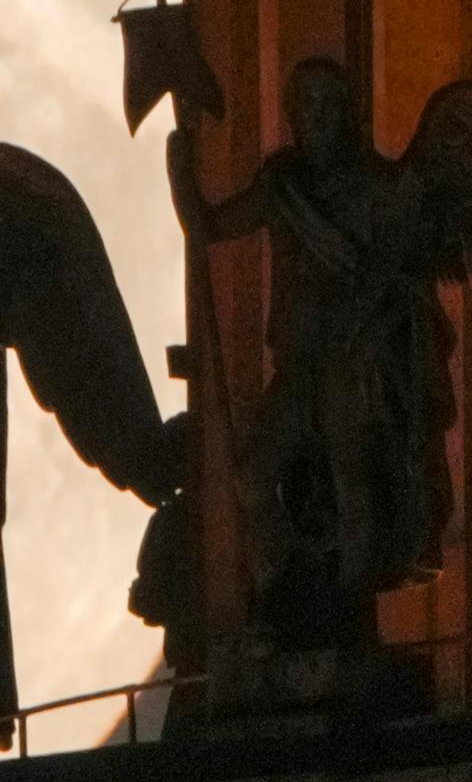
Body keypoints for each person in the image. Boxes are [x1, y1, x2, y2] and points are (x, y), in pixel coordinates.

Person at [169, 56, 452, 647]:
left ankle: (349, 619)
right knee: (253, 474)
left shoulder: (379, 186)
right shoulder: (283, 184)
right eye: (303, 108)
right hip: (300, 365)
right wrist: (179, 164)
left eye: (325, 105)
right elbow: (211, 225)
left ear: (347, 112)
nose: (313, 119)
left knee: (355, 486)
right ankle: (279, 597)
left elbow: (409, 271)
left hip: (353, 364)